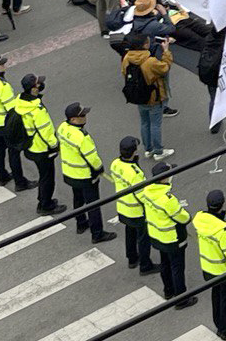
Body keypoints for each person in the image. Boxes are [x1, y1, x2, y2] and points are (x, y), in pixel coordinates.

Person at [57, 101, 117, 244]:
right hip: (85, 175)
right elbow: (92, 158)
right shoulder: (81, 137)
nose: (85, 117)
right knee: (93, 205)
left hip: (70, 172)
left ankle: (81, 223)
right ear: (73, 119)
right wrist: (99, 169)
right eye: (82, 115)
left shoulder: (63, 128)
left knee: (77, 199)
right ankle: (97, 234)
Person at [142, 161, 197, 307]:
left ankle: (168, 291)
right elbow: (183, 217)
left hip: (157, 235)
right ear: (163, 178)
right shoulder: (167, 199)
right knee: (177, 268)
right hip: (172, 237)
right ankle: (181, 298)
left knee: (165, 264)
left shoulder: (147, 191)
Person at [194, 190, 226, 339]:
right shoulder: (222, 229)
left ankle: (219, 322)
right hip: (223, 270)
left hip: (208, 268)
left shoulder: (200, 220)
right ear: (222, 204)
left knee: (216, 296)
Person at [121, 30, 174, 160]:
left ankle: (148, 149)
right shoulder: (149, 61)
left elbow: (124, 72)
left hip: (138, 96)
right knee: (155, 124)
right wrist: (166, 51)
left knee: (145, 123)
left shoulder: (127, 58)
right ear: (144, 45)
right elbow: (165, 67)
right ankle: (158, 151)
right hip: (153, 96)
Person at [15, 73, 63, 214]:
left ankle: (43, 200)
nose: (41, 85)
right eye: (38, 83)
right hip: (42, 149)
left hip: (31, 147)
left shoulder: (21, 102)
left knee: (44, 176)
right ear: (34, 88)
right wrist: (55, 145)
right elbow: (46, 132)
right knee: (47, 178)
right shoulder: (37, 110)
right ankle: (45, 205)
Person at [109, 136, 156, 275]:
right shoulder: (135, 173)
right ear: (134, 152)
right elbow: (141, 195)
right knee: (143, 238)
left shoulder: (115, 164)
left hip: (123, 207)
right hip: (136, 210)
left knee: (129, 233)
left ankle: (132, 258)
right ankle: (145, 265)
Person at [0, 54, 27, 188]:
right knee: (13, 153)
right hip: (5, 123)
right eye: (0, 64)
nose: (4, 66)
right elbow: (11, 110)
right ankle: (20, 182)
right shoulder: (2, 86)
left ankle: (2, 176)